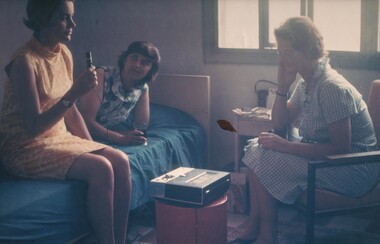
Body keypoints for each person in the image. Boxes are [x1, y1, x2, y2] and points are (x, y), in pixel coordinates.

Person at [231, 16, 379, 244]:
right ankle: (260, 229)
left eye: (288, 53)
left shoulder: (330, 87)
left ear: (309, 50)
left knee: (264, 157)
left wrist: (286, 146)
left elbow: (341, 149)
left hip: (353, 169)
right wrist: (282, 87)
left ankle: (265, 234)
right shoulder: (307, 82)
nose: (281, 60)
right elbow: (280, 124)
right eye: (278, 52)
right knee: (258, 148)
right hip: (328, 159)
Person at [0, 0, 131, 243]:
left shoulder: (63, 53)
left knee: (120, 160)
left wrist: (94, 147)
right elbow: (33, 126)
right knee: (101, 169)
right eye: (64, 18)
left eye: (71, 17)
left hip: (57, 139)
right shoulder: (24, 62)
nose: (73, 24)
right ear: (43, 19)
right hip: (24, 146)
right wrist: (74, 93)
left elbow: (70, 113)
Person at [79, 41, 161, 146]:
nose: (137, 65)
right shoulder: (100, 75)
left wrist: (127, 135)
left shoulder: (143, 89)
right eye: (134, 58)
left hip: (99, 135)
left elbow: (141, 127)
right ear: (125, 59)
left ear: (150, 70)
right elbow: (85, 121)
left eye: (145, 63)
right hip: (75, 130)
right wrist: (119, 138)